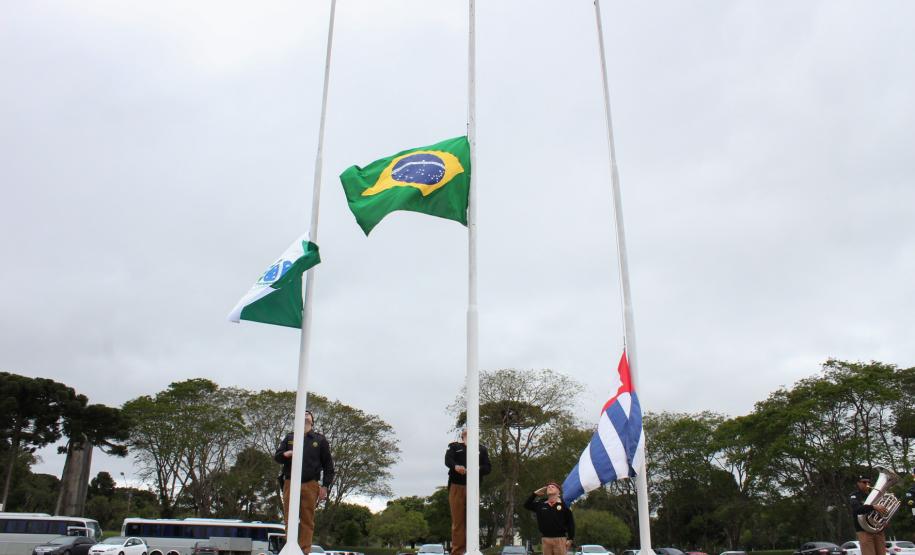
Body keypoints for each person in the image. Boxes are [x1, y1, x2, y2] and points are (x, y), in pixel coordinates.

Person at [274, 410, 334, 553]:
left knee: (307, 519)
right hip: (290, 482)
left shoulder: (320, 440)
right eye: (303, 413)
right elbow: (277, 457)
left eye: (308, 413)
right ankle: (290, 548)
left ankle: (304, 551)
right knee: (289, 518)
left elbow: (328, 465)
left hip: (310, 484)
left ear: (312, 420)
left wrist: (325, 486)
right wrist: (286, 454)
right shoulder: (290, 437)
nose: (305, 414)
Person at [445, 429, 492, 555]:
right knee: (458, 522)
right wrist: (456, 467)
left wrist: (477, 469)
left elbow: (488, 467)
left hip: (474, 487)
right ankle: (458, 551)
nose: (469, 434)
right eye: (466, 433)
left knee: (473, 520)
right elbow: (448, 460)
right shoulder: (455, 447)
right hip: (457, 486)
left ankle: (473, 548)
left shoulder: (481, 449)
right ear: (462, 436)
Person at [524, 482, 574, 555]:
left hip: (560, 539)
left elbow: (570, 523)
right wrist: (534, 494)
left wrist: (570, 538)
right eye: (548, 487)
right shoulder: (541, 503)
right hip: (545, 539)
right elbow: (526, 505)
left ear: (558, 492)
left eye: (553, 487)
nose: (550, 487)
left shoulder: (564, 504)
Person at [849, 474, 887, 555]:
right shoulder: (854, 495)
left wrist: (884, 520)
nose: (867, 484)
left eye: (868, 482)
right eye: (864, 482)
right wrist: (873, 507)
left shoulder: (874, 495)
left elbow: (881, 511)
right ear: (858, 483)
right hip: (864, 530)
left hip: (878, 530)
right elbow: (857, 509)